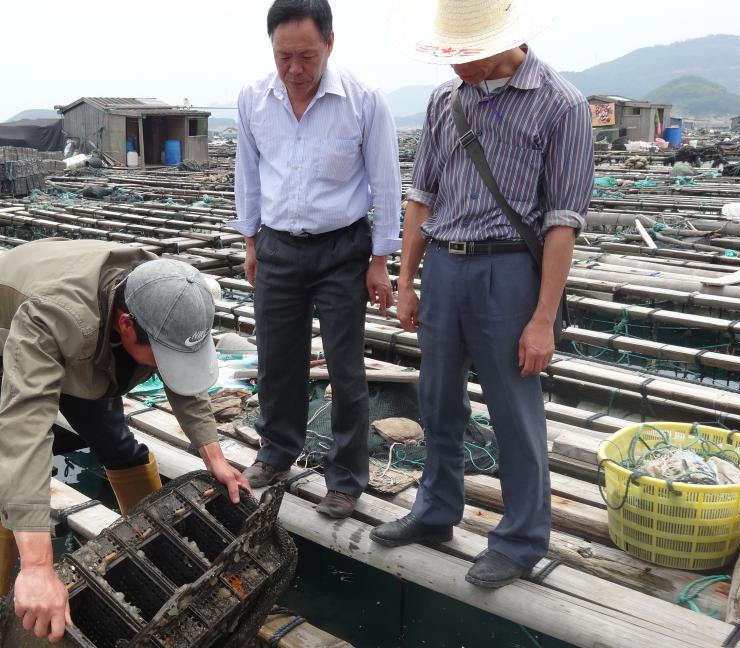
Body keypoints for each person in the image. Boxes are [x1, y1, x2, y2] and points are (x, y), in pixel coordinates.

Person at [370, 0, 593, 589]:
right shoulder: (447, 99)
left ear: (505, 37)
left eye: (467, 53)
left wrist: (543, 318)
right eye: (451, 53)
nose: (457, 65)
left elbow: (563, 221)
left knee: (514, 412)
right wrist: (407, 281)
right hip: (445, 267)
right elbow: (423, 195)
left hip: (510, 274)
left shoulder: (561, 105)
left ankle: (520, 540)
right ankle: (435, 510)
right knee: (439, 401)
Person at [0, 239, 250, 645]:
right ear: (125, 324)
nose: (164, 364)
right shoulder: (52, 317)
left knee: (120, 447)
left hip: (84, 329)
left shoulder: (167, 289)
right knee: (6, 480)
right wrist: (37, 567)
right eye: (159, 353)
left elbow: (184, 375)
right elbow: (25, 433)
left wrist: (214, 455)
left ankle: (155, 553)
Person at [232, 0, 402, 519]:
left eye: (306, 56)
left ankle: (346, 478)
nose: (295, 70)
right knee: (277, 358)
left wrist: (380, 259)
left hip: (342, 248)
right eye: (284, 57)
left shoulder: (364, 99)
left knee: (344, 366)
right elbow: (249, 173)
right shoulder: (253, 99)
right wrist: (250, 241)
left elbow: (386, 182)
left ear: (330, 43)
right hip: (278, 245)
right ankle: (277, 451)